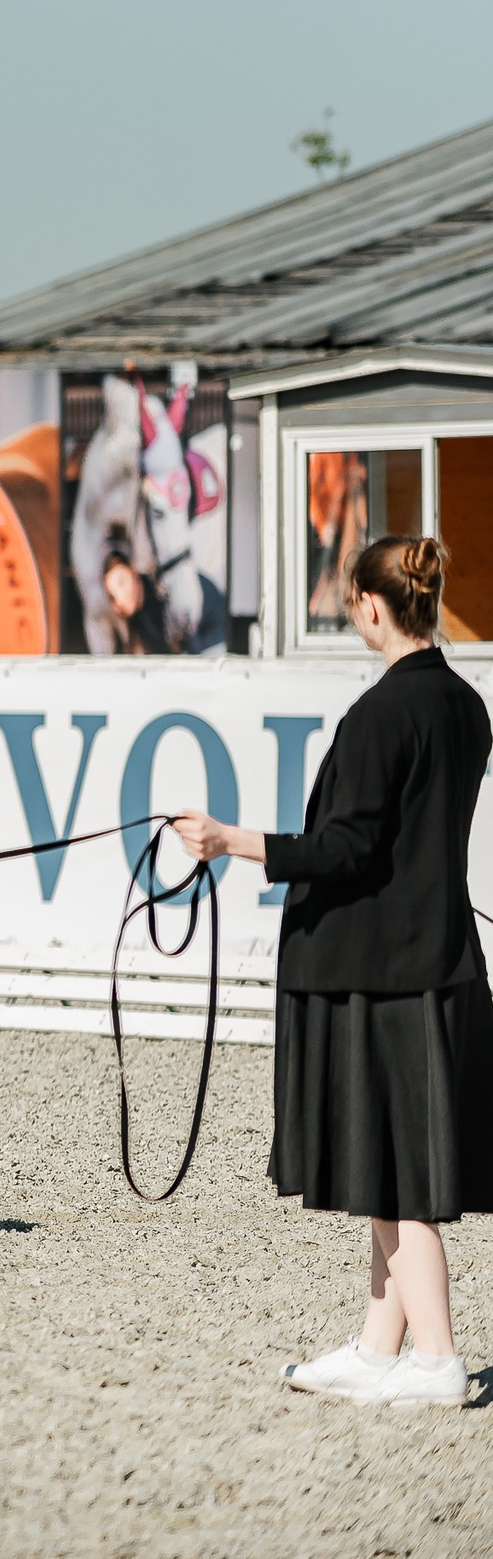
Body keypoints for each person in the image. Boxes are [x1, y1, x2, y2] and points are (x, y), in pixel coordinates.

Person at [174, 535, 490, 1409]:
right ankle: (378, 1345)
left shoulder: (382, 712)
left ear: (373, 607)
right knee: (389, 1171)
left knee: (398, 1176)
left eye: (353, 603)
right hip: (436, 958)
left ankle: (436, 1358)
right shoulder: (467, 707)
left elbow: (347, 848)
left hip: (384, 971)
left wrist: (227, 839)